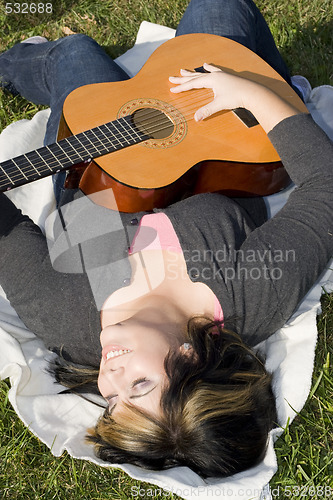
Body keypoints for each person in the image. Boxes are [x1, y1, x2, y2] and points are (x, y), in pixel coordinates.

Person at [0, 0, 332, 478]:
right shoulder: (253, 293)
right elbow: (326, 186)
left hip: (97, 170)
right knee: (219, 9)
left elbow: (6, 229)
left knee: (73, 52)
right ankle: (279, 80)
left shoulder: (67, 313)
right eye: (137, 385)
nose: (108, 376)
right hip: (209, 144)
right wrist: (256, 96)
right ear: (190, 357)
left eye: (109, 400)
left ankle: (16, 64)